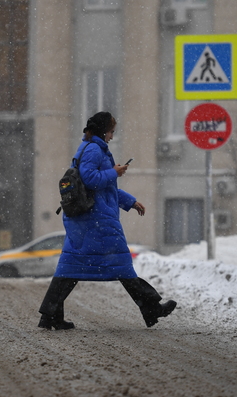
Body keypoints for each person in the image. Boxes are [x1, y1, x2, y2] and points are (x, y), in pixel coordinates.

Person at [38, 111, 176, 330]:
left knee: (71, 266)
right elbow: (90, 179)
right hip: (98, 220)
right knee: (121, 264)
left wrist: (130, 202)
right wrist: (114, 171)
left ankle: (50, 315)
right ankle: (152, 308)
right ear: (104, 131)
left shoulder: (88, 148)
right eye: (111, 131)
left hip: (87, 217)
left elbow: (103, 190)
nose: (112, 136)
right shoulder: (94, 149)